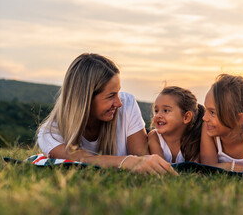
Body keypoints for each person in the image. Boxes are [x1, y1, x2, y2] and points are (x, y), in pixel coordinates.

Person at [37, 53, 177, 175]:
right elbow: (79, 159)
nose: (118, 103)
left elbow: (142, 159)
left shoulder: (127, 104)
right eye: (111, 96)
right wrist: (125, 161)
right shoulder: (50, 133)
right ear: (85, 99)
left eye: (118, 93)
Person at [148, 86, 204, 163]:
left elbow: (194, 168)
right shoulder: (154, 137)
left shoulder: (194, 139)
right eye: (156, 111)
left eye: (166, 110)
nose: (158, 115)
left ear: (186, 117)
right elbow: (161, 166)